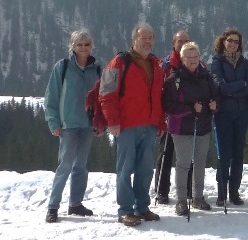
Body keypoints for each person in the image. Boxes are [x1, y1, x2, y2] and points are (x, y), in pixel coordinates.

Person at [99, 22, 165, 227]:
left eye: (150, 37)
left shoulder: (156, 64)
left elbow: (159, 97)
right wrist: (112, 121)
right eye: (143, 37)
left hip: (149, 125)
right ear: (133, 40)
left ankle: (142, 207)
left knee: (145, 169)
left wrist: (161, 123)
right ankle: (125, 210)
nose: (147, 41)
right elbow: (106, 93)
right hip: (126, 126)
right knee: (125, 169)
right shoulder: (119, 62)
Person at [44, 29, 102, 223]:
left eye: (87, 44)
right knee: (65, 165)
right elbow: (52, 95)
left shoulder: (97, 69)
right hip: (68, 124)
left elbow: (103, 99)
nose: (83, 48)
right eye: (79, 44)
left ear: (91, 46)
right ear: (73, 46)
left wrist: (102, 124)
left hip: (88, 125)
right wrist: (53, 121)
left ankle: (75, 204)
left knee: (81, 166)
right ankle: (53, 207)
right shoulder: (63, 67)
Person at [163, 42, 218, 216]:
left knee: (200, 163)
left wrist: (214, 105)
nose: (193, 60)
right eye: (189, 57)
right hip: (181, 128)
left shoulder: (206, 76)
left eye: (195, 57)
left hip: (202, 125)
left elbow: (216, 95)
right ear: (182, 58)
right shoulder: (174, 80)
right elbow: (168, 105)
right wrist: (190, 109)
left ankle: (198, 197)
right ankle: (181, 200)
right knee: (183, 163)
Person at [210, 29, 248, 206]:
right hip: (223, 115)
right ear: (223, 41)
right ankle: (221, 193)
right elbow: (219, 85)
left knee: (238, 155)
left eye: (236, 41)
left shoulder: (244, 62)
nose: (233, 44)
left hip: (242, 114)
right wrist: (240, 85)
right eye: (230, 40)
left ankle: (234, 192)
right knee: (224, 154)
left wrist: (232, 89)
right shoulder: (217, 61)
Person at [155, 29, 191, 205]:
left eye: (186, 41)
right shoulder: (165, 65)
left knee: (187, 155)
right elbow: (157, 92)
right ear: (173, 43)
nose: (183, 44)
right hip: (169, 117)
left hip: (189, 116)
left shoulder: (195, 63)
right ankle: (162, 191)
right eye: (180, 41)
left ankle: (188, 190)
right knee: (166, 155)